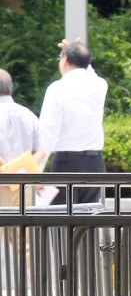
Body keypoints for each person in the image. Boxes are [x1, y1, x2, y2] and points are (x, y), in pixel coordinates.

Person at [38, 39, 108, 206]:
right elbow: (90, 72)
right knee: (89, 220)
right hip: (95, 163)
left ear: (65, 60)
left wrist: (37, 173)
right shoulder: (100, 85)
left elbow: (47, 132)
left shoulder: (57, 88)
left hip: (66, 162)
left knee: (62, 222)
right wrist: (78, 54)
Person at [0, 68, 45, 208]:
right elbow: (41, 151)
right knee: (24, 228)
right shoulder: (29, 115)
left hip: (3, 182)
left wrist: (9, 168)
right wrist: (25, 168)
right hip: (26, 185)